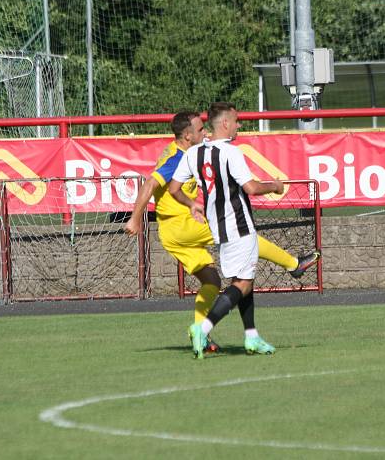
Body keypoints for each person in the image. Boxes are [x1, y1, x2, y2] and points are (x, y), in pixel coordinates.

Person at [124, 110, 318, 354]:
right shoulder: (177, 157)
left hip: (173, 233)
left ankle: (201, 334)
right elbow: (150, 184)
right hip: (180, 226)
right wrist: (135, 219)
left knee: (212, 282)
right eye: (199, 130)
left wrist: (190, 203)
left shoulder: (187, 153)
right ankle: (293, 264)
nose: (204, 133)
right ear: (187, 136)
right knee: (242, 234)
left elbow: (173, 189)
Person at [169, 102, 287, 359]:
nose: (238, 124)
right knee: (242, 283)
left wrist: (192, 205)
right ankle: (203, 328)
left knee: (244, 281)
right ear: (224, 123)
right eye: (236, 120)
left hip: (218, 227)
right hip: (240, 225)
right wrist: (275, 186)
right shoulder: (231, 153)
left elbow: (173, 189)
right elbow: (251, 188)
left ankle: (251, 336)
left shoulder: (193, 153)